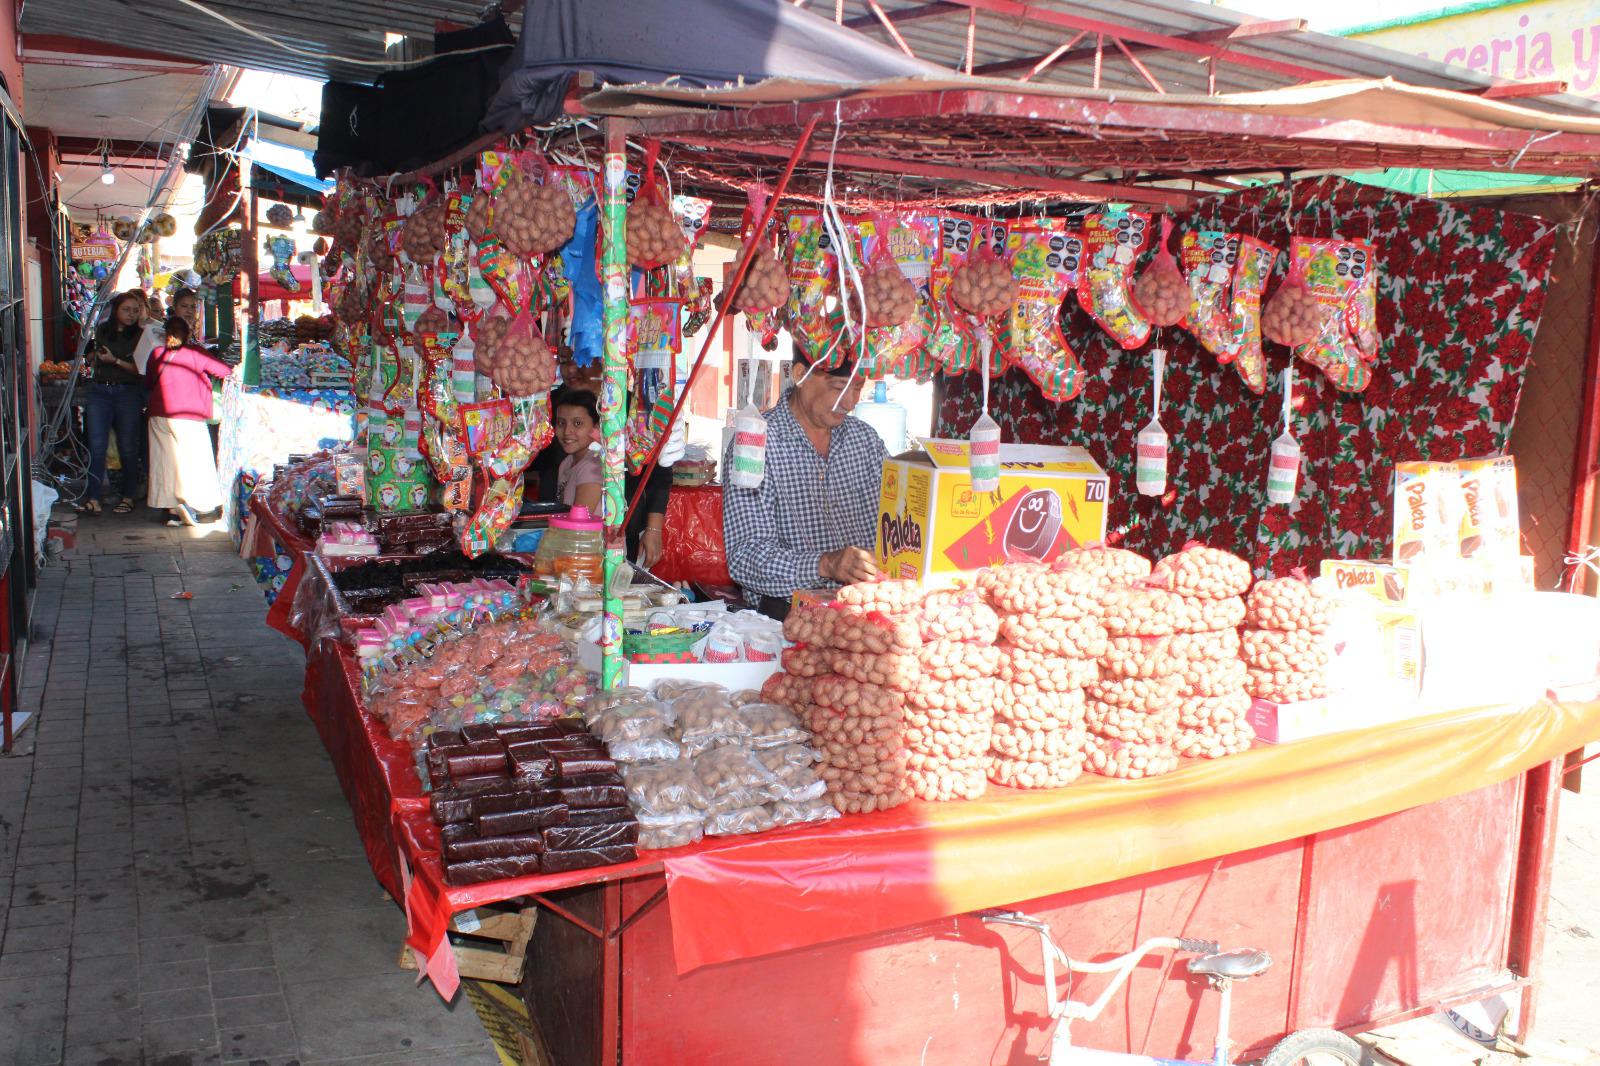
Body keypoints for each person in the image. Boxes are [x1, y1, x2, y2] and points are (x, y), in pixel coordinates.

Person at [722, 352, 886, 620]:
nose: (850, 401)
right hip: (787, 618)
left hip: (863, 616)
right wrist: (825, 564)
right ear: (800, 375)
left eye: (857, 387)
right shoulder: (757, 444)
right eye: (838, 387)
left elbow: (893, 523)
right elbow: (745, 557)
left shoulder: (865, 441)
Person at [145, 316, 231, 526]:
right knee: (194, 461)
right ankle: (198, 506)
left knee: (165, 463)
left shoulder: (157, 353)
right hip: (189, 414)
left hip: (159, 414)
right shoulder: (195, 352)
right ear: (188, 333)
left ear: (166, 334)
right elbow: (224, 372)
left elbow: (148, 380)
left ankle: (173, 510)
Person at [82, 291, 150, 515]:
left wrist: (115, 361)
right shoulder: (102, 330)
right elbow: (90, 356)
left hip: (128, 393)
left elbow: (141, 371)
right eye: (126, 310)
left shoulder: (142, 336)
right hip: (99, 391)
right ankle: (93, 497)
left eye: (135, 310)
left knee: (128, 447)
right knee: (97, 446)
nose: (131, 314)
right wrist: (93, 357)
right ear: (116, 311)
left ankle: (128, 496)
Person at [551, 387, 603, 513]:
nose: (567, 431)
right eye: (561, 423)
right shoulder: (567, 462)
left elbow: (579, 523)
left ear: (596, 426)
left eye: (577, 423)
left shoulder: (592, 465)